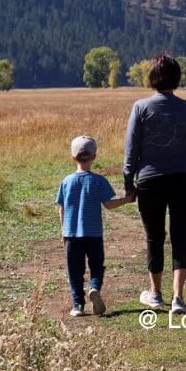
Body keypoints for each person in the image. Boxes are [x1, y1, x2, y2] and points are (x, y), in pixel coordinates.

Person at [123, 53, 186, 313]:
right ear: (176, 78)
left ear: (152, 78)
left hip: (150, 179)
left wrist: (129, 183)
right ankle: (178, 297)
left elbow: (131, 150)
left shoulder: (140, 107)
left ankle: (156, 293)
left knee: (154, 237)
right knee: (181, 235)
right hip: (185, 178)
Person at [56, 135, 133, 317]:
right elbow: (109, 204)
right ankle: (94, 287)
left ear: (72, 158)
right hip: (94, 234)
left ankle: (78, 306)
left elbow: (62, 208)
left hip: (71, 234)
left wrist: (63, 231)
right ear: (94, 157)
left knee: (75, 270)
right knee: (97, 265)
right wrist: (128, 199)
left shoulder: (66, 182)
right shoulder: (99, 181)